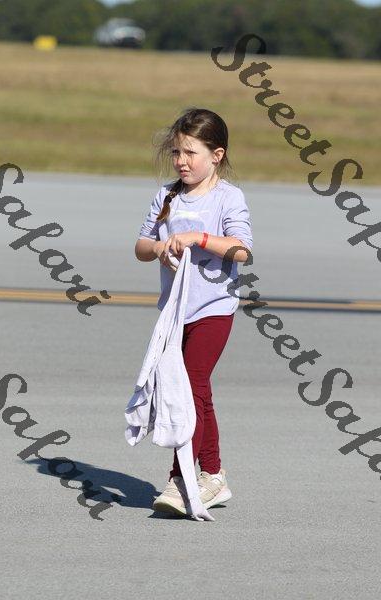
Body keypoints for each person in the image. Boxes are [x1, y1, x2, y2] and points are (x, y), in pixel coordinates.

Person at [134, 107, 253, 516]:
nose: (181, 161)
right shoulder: (166, 196)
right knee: (197, 392)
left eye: (190, 153)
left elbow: (241, 249)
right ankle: (213, 476)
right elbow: (140, 246)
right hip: (175, 313)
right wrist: (160, 247)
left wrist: (199, 238)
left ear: (216, 155)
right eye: (176, 152)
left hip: (214, 309)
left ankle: (180, 479)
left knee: (190, 385)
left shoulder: (227, 197)